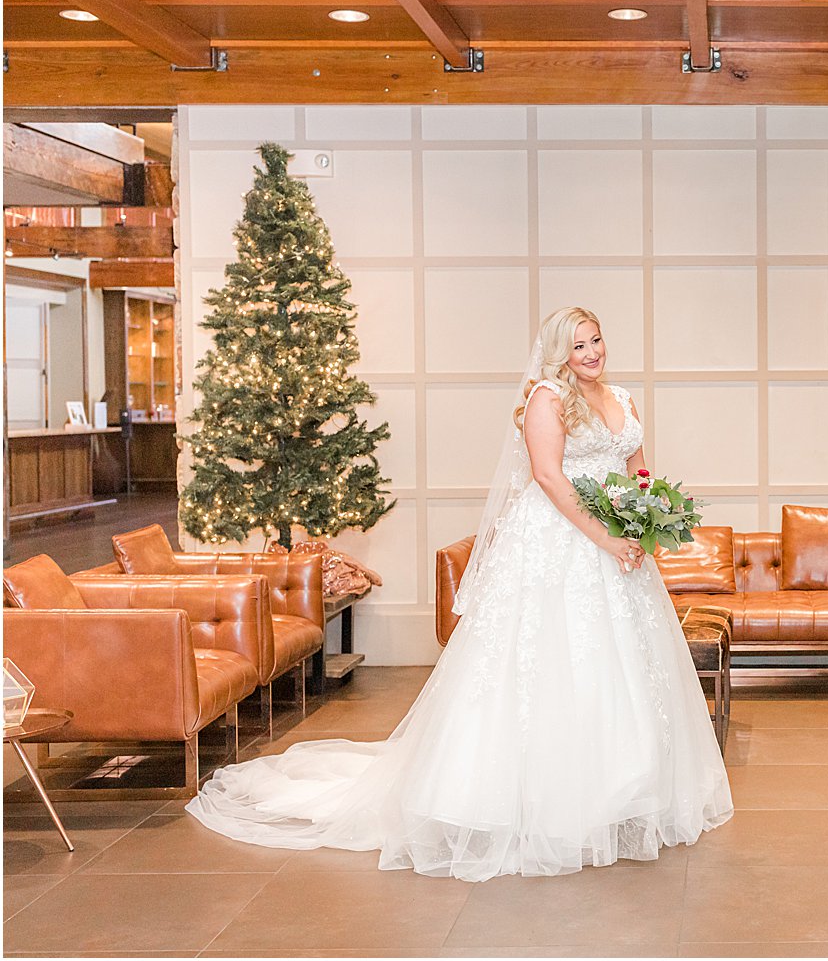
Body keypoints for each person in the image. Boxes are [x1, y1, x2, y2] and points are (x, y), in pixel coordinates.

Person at [187, 306, 733, 880]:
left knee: (621, 667)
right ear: (558, 354)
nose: (592, 353)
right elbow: (549, 479)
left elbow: (637, 470)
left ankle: (622, 791)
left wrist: (641, 522)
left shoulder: (622, 397)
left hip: (616, 548)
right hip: (560, 543)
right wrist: (605, 539)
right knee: (553, 663)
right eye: (578, 346)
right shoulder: (547, 399)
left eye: (596, 339)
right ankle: (537, 800)